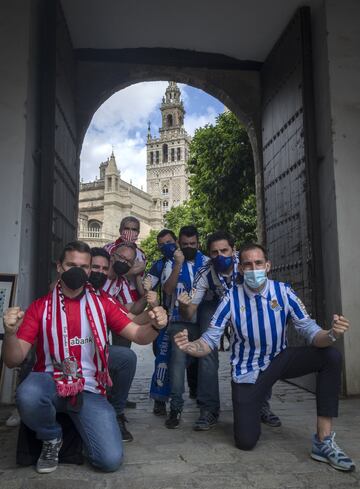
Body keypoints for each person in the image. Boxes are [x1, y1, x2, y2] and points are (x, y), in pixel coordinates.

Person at [174, 243, 355, 472]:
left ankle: (323, 440)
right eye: (247, 264)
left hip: (280, 360)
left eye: (258, 263)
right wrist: (191, 347)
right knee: (245, 441)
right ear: (240, 269)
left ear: (267, 266)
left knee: (330, 356)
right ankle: (256, 403)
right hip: (248, 370)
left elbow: (310, 330)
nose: (253, 268)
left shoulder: (283, 292)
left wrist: (331, 334)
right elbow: (210, 339)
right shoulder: (230, 298)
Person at [2, 240, 167, 474]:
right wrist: (10, 334)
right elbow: (13, 359)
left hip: (90, 388)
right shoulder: (41, 307)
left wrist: (156, 325)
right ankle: (51, 437)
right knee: (27, 394)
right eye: (71, 265)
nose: (78, 271)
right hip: (50, 381)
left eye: (84, 266)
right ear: (59, 267)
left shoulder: (103, 303)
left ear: (90, 270)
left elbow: (138, 335)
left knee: (109, 461)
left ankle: (93, 428)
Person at [178, 230, 281, 429]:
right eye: (214, 252)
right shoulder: (204, 272)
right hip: (216, 305)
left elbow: (264, 288)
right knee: (206, 349)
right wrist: (183, 305)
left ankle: (261, 404)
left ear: (233, 250)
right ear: (208, 254)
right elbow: (189, 312)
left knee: (259, 345)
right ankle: (208, 409)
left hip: (245, 303)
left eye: (224, 250)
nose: (220, 256)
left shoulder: (246, 264)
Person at [154, 225, 209, 429]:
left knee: (207, 365)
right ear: (179, 243)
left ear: (198, 243)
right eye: (184, 244)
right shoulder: (172, 263)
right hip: (179, 322)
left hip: (203, 322)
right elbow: (168, 289)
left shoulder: (207, 262)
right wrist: (178, 264)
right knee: (176, 365)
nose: (189, 247)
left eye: (192, 244)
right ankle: (176, 408)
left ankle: (207, 408)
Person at [104, 216, 146, 299]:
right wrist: (131, 272)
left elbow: (140, 284)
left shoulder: (141, 254)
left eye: (134, 229)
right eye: (127, 228)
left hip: (132, 295)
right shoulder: (108, 248)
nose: (130, 232)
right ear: (120, 230)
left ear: (138, 232)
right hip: (110, 293)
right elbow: (106, 274)